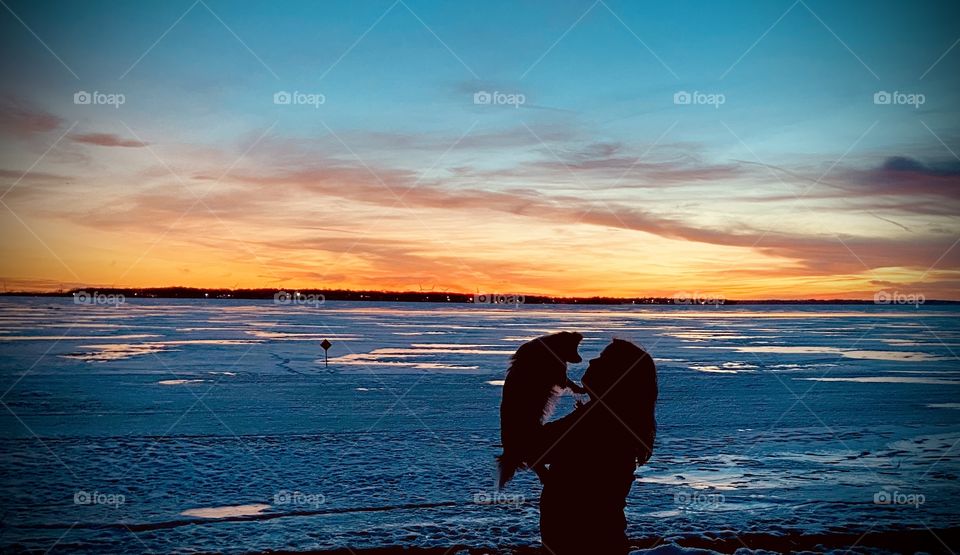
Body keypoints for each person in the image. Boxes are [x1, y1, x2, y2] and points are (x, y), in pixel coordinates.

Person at [533, 339, 658, 555]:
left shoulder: (600, 421)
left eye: (603, 359)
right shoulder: (605, 415)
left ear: (617, 375)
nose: (592, 361)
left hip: (582, 543)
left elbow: (536, 445)